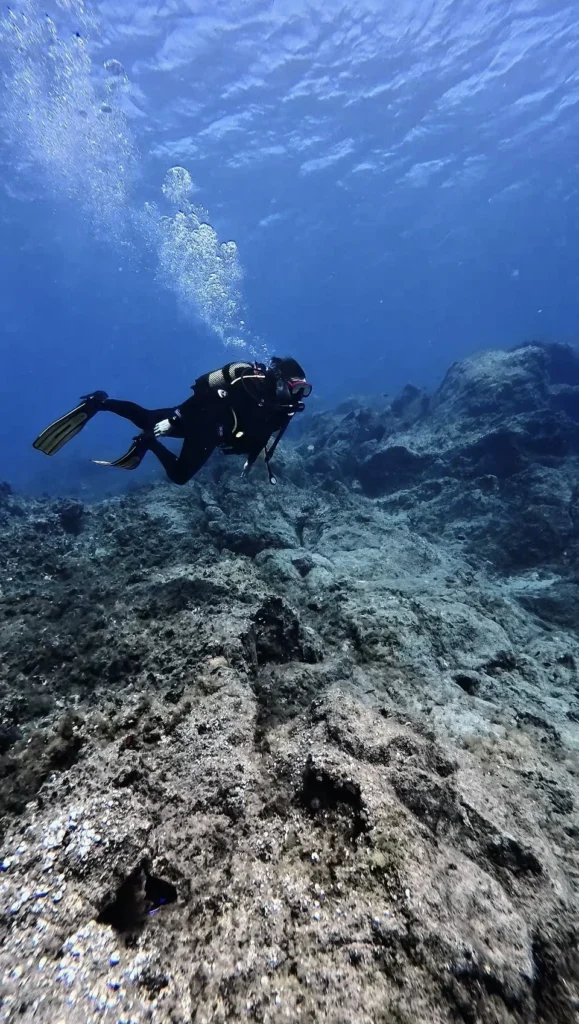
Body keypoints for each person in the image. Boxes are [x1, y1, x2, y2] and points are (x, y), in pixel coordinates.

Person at [33, 357, 312, 486]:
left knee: (145, 418)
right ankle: (106, 408)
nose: (298, 395)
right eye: (295, 387)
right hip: (203, 420)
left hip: (216, 430)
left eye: (303, 390)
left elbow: (264, 436)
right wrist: (177, 418)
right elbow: (206, 394)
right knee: (177, 472)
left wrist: (253, 459)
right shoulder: (247, 383)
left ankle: (111, 410)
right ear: (278, 381)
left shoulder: (282, 409)